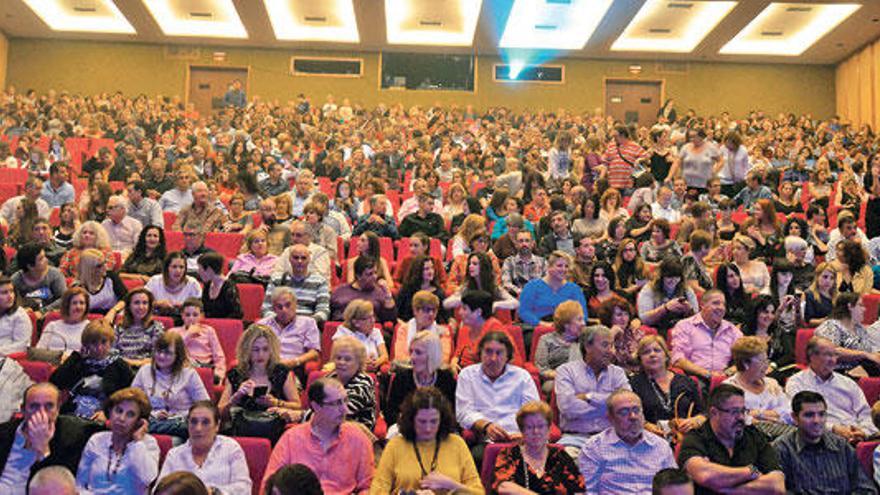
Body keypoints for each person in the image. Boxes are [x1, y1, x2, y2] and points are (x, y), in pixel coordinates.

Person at [262, 377, 374, 495]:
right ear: (316, 406)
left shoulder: (358, 438)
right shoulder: (291, 438)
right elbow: (270, 485)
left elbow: (368, 486)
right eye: (336, 404)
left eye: (345, 401)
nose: (345, 409)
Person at [678, 384, 785, 495]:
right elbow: (705, 476)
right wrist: (750, 471)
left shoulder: (754, 435)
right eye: (734, 412)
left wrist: (726, 489)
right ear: (714, 413)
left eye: (743, 411)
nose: (741, 417)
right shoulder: (695, 439)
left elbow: (777, 485)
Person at [371, 387, 482, 494]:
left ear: (442, 419)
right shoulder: (395, 445)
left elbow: (478, 492)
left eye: (434, 421)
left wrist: (451, 485)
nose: (428, 428)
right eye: (422, 421)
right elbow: (378, 490)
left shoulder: (457, 444)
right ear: (411, 420)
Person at [0, 383, 102, 494]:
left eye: (49, 406)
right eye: (34, 406)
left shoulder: (73, 436)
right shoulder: (4, 432)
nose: (41, 412)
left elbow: (58, 487)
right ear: (23, 410)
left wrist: (43, 449)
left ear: (58, 409)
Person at [774, 391, 876, 495]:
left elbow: (865, 488)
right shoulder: (782, 449)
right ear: (795, 418)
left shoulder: (841, 446)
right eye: (809, 415)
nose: (817, 420)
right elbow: (777, 492)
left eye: (822, 414)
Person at [578, 390, 676, 493]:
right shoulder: (594, 448)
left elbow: (674, 488)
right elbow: (588, 491)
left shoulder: (660, 446)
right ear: (610, 418)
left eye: (636, 410)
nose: (633, 416)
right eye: (624, 412)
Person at [455, 331, 540, 447]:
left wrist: (525, 434)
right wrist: (486, 426)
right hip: (485, 439)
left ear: (507, 356)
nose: (493, 358)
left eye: (499, 353)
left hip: (519, 438)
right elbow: (463, 413)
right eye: (488, 352)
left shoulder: (522, 377)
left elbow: (534, 412)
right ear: (480, 353)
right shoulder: (467, 375)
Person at [785, 336, 878, 442]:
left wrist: (863, 432)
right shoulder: (797, 383)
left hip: (856, 437)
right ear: (812, 356)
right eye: (828, 355)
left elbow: (865, 413)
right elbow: (798, 418)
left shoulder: (848, 383)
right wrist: (833, 429)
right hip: (821, 438)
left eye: (835, 355)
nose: (833, 360)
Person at [554, 324, 630, 451]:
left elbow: (626, 405)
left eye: (612, 346)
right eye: (605, 345)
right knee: (566, 461)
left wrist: (589, 397)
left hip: (612, 438)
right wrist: (610, 406)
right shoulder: (566, 371)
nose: (611, 351)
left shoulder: (617, 373)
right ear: (588, 346)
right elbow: (568, 408)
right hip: (575, 439)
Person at [218, 325, 302, 439]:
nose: (261, 355)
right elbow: (219, 413)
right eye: (255, 349)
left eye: (265, 349)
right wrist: (235, 398)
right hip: (242, 430)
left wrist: (276, 402)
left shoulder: (281, 372)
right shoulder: (235, 374)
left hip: (273, 429)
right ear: (247, 350)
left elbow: (297, 406)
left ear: (272, 350)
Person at [74, 387, 160, 494]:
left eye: (130, 414)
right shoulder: (96, 440)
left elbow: (147, 479)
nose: (122, 418)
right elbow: (80, 485)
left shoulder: (148, 444)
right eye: (119, 411)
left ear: (139, 421)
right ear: (110, 412)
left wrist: (137, 442)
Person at [158, 401, 252, 494]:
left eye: (205, 422)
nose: (198, 428)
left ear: (217, 426)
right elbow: (159, 490)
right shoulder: (175, 454)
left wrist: (214, 492)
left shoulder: (231, 448)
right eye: (193, 422)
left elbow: (244, 489)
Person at [489, 401, 584, 493]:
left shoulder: (559, 454)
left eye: (541, 426)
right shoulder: (510, 453)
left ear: (549, 429)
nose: (536, 431)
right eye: (529, 427)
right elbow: (503, 486)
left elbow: (579, 489)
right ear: (522, 431)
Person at [50, 319, 134, 420]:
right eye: (94, 343)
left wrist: (108, 413)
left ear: (110, 342)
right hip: (72, 411)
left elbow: (128, 397)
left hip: (104, 415)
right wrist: (76, 357)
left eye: (104, 342)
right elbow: (55, 382)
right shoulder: (79, 362)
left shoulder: (119, 366)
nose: (99, 348)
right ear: (86, 344)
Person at [131, 332, 210, 438]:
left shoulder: (189, 374)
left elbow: (205, 406)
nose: (161, 356)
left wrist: (177, 416)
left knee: (181, 433)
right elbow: (132, 402)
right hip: (151, 420)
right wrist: (154, 414)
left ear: (178, 355)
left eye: (168, 353)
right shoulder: (145, 370)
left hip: (180, 423)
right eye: (159, 351)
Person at [384, 331, 456, 429]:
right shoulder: (402, 377)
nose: (412, 357)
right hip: (406, 428)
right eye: (411, 351)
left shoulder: (446, 378)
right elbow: (390, 413)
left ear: (432, 354)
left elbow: (452, 414)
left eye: (418, 352)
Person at [670, 290, 743, 382]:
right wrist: (707, 374)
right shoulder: (685, 326)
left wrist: (727, 373)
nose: (721, 308)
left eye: (723, 304)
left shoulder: (732, 330)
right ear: (702, 305)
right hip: (694, 378)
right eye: (716, 303)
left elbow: (744, 358)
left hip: (725, 379)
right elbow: (678, 359)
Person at [724, 337, 792, 431]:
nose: (766, 366)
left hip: (781, 432)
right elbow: (734, 419)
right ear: (745, 363)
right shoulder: (729, 388)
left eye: (767, 360)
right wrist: (770, 417)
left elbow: (789, 411)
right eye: (762, 361)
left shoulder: (772, 383)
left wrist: (758, 414)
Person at [257, 287, 320, 381]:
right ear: (274, 309)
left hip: (293, 369)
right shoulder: (262, 325)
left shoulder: (308, 323)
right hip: (266, 369)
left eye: (288, 305)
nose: (284, 310)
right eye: (279, 307)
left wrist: (294, 362)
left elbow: (314, 353)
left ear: (295, 305)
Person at [262, 244, 330, 326]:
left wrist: (308, 322)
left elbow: (323, 310)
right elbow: (266, 308)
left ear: (309, 260)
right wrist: (279, 320)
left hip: (307, 325)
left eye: (303, 258)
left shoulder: (320, 281)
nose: (299, 261)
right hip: (279, 323)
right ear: (289, 259)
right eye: (296, 257)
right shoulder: (276, 279)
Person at [518, 251, 588, 328]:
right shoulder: (531, 286)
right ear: (549, 267)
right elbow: (523, 311)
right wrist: (541, 324)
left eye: (566, 266)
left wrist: (570, 326)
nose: (563, 269)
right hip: (538, 327)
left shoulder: (574, 289)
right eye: (559, 266)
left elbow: (583, 314)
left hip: (567, 329)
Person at [815, 292, 880, 375]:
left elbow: (871, 353)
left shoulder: (860, 329)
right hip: (835, 373)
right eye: (860, 305)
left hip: (861, 371)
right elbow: (832, 352)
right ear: (850, 306)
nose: (864, 309)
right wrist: (864, 354)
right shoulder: (831, 325)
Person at [637, 257, 699, 337]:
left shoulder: (686, 289)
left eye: (677, 277)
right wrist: (665, 308)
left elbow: (697, 317)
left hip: (682, 328)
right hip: (658, 329)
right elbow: (644, 318)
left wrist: (689, 310)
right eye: (669, 277)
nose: (673, 281)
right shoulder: (649, 289)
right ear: (661, 276)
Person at [534, 300, 585, 395]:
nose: (583, 323)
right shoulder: (546, 340)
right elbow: (542, 369)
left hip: (582, 380)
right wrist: (563, 375)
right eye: (579, 319)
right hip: (554, 380)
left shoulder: (584, 340)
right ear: (566, 323)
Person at [168, 298, 226, 381]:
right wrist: (187, 335)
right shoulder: (173, 331)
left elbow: (219, 356)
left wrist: (219, 374)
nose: (191, 318)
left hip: (204, 368)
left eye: (195, 315)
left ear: (201, 316)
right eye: (187, 315)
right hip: (182, 368)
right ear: (182, 316)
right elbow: (170, 352)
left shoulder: (208, 331)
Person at [330, 255, 396, 323]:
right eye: (369, 274)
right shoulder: (340, 291)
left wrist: (388, 294)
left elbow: (390, 319)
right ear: (358, 276)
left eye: (375, 273)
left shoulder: (380, 293)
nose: (374, 277)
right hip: (341, 328)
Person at [392, 290, 452, 364]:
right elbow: (400, 357)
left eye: (434, 310)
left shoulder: (443, 332)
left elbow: (443, 359)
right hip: (407, 370)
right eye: (426, 310)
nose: (431, 314)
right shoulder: (403, 329)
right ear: (415, 311)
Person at [11, 243, 66, 316]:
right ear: (30, 266)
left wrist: (42, 312)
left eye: (44, 256)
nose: (46, 260)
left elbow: (65, 298)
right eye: (41, 259)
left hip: (50, 315)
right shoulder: (16, 280)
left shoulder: (55, 274)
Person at [146, 252, 203, 317]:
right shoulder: (155, 281)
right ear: (167, 268)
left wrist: (184, 306)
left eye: (181, 267)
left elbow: (200, 309)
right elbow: (143, 303)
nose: (178, 271)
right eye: (174, 267)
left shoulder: (192, 283)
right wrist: (157, 304)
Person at [36, 287, 90, 354]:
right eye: (74, 303)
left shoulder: (89, 328)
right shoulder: (52, 326)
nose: (78, 307)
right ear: (67, 305)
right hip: (52, 362)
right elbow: (38, 352)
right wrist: (57, 357)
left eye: (82, 303)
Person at [500, 229, 547, 298]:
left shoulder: (542, 262)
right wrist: (521, 292)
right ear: (516, 244)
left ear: (532, 243)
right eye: (521, 241)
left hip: (539, 298)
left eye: (527, 241)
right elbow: (506, 284)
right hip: (517, 299)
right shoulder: (509, 262)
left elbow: (547, 283)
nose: (524, 244)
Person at [197, 252, 243, 319]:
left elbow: (237, 314)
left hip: (225, 326)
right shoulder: (207, 285)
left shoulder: (229, 287)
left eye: (200, 269)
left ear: (209, 269)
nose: (198, 272)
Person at [0, 276, 33, 356]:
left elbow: (22, 346)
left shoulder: (20, 315)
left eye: (11, 291)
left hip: (9, 359)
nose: (10, 296)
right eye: (4, 293)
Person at [804, 262, 837, 326]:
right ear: (817, 276)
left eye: (832, 278)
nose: (828, 281)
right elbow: (808, 321)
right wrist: (824, 321)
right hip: (817, 330)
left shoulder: (837, 295)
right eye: (825, 277)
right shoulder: (809, 294)